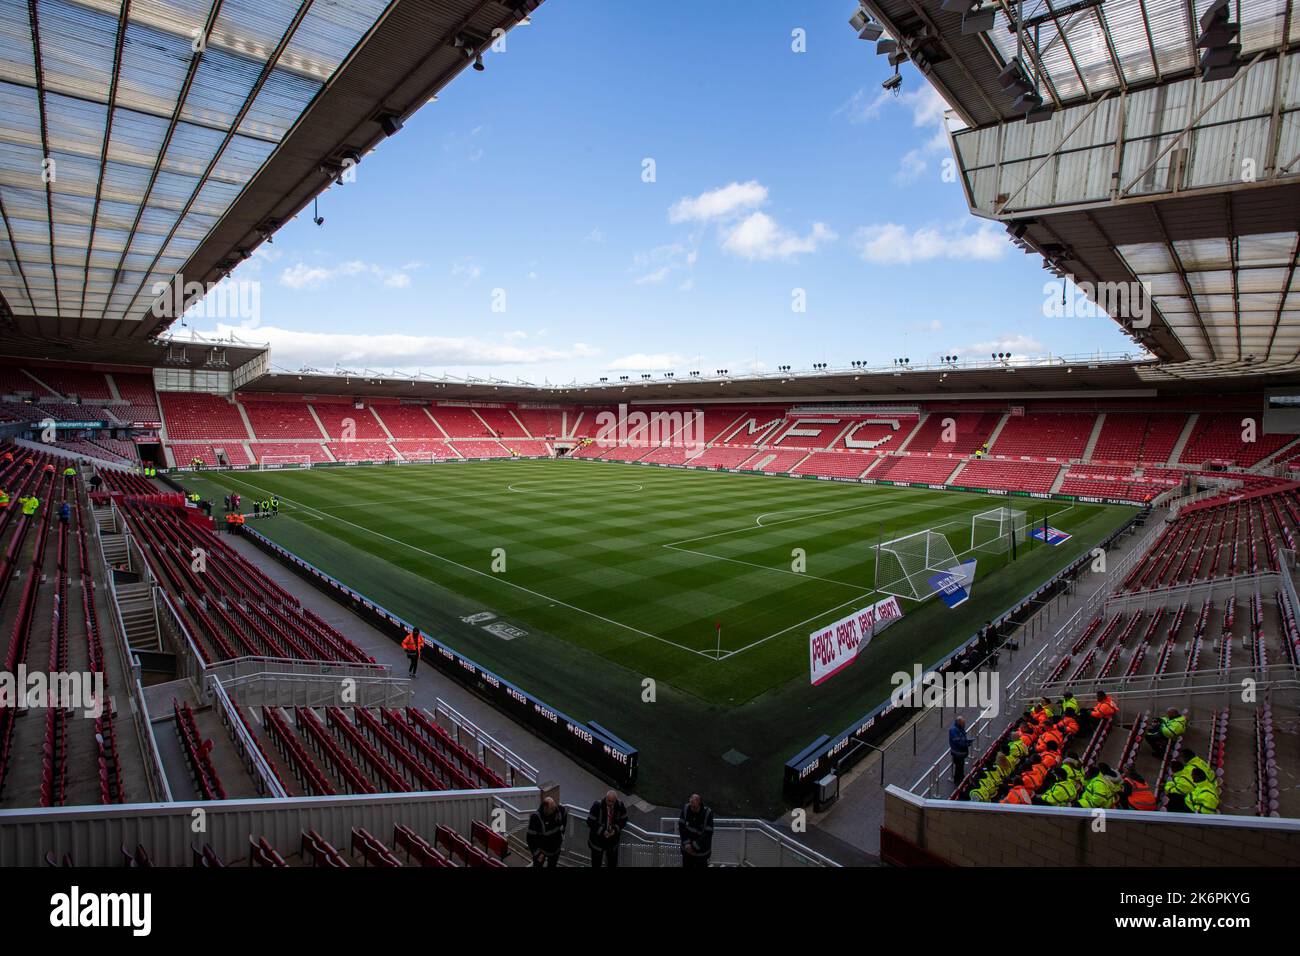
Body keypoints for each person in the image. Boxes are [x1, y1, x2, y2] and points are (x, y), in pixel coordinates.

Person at [586, 790, 629, 867]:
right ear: (606, 798)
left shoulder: (619, 805)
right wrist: (602, 831)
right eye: (608, 801)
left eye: (613, 802)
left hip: (612, 841)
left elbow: (624, 819)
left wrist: (615, 829)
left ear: (615, 800)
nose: (610, 804)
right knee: (596, 863)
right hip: (597, 842)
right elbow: (590, 821)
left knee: (612, 863)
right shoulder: (597, 806)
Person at [526, 797, 567, 867]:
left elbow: (564, 822)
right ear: (545, 808)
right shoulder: (536, 818)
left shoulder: (560, 811)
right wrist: (537, 853)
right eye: (551, 809)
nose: (553, 811)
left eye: (554, 808)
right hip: (541, 850)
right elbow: (530, 838)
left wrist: (561, 836)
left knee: (552, 864)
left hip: (555, 849)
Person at [678, 793, 714, 868]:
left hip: (701, 854)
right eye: (691, 806)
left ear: (699, 804)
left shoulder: (707, 813)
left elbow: (707, 834)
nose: (692, 809)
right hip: (687, 852)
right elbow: (681, 827)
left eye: (694, 807)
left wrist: (693, 846)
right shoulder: (686, 808)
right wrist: (687, 844)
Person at [949, 716, 970, 783]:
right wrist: (966, 744)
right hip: (957, 753)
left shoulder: (960, 728)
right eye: (963, 723)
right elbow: (957, 741)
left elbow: (962, 738)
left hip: (961, 753)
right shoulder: (954, 730)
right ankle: (958, 780)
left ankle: (961, 778)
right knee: (958, 767)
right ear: (959, 722)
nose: (964, 724)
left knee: (961, 766)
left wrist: (967, 742)